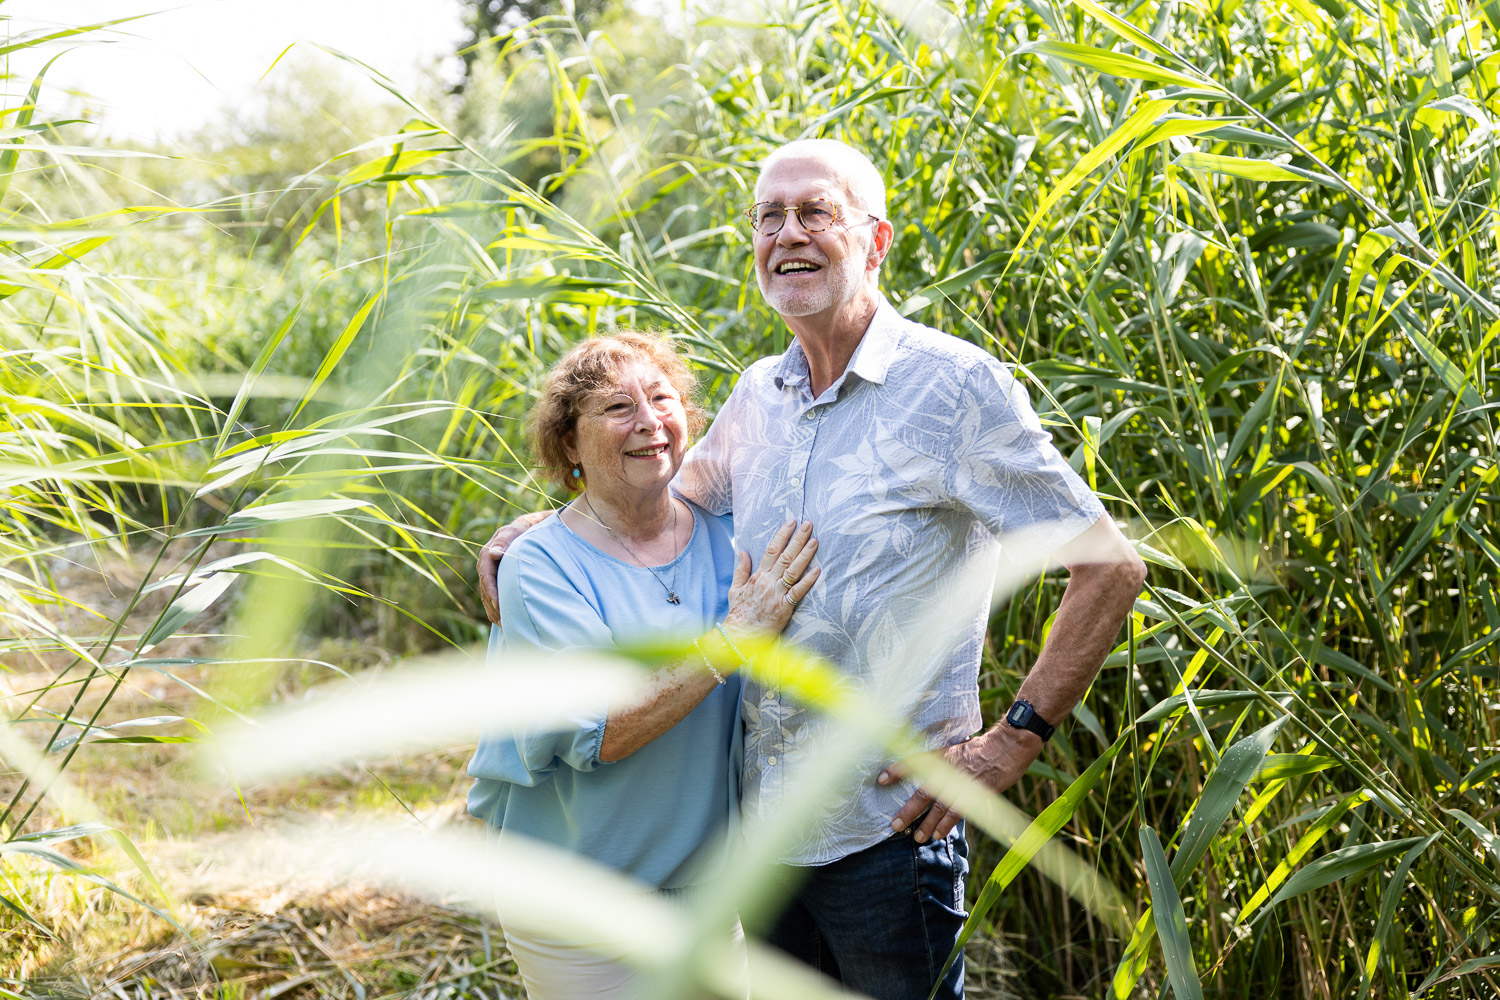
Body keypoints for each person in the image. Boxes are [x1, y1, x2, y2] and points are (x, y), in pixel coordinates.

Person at [476, 140, 1147, 1000]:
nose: (787, 232)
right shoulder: (762, 394)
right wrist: (534, 529)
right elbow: (652, 495)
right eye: (768, 216)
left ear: (875, 241)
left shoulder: (952, 389)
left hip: (887, 833)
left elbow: (1109, 567)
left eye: (815, 211)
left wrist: (1011, 742)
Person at [465, 331, 820, 1000]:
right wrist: (733, 641)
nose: (650, 422)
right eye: (617, 407)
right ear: (569, 444)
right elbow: (600, 731)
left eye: (663, 399)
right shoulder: (540, 566)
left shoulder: (729, 536)